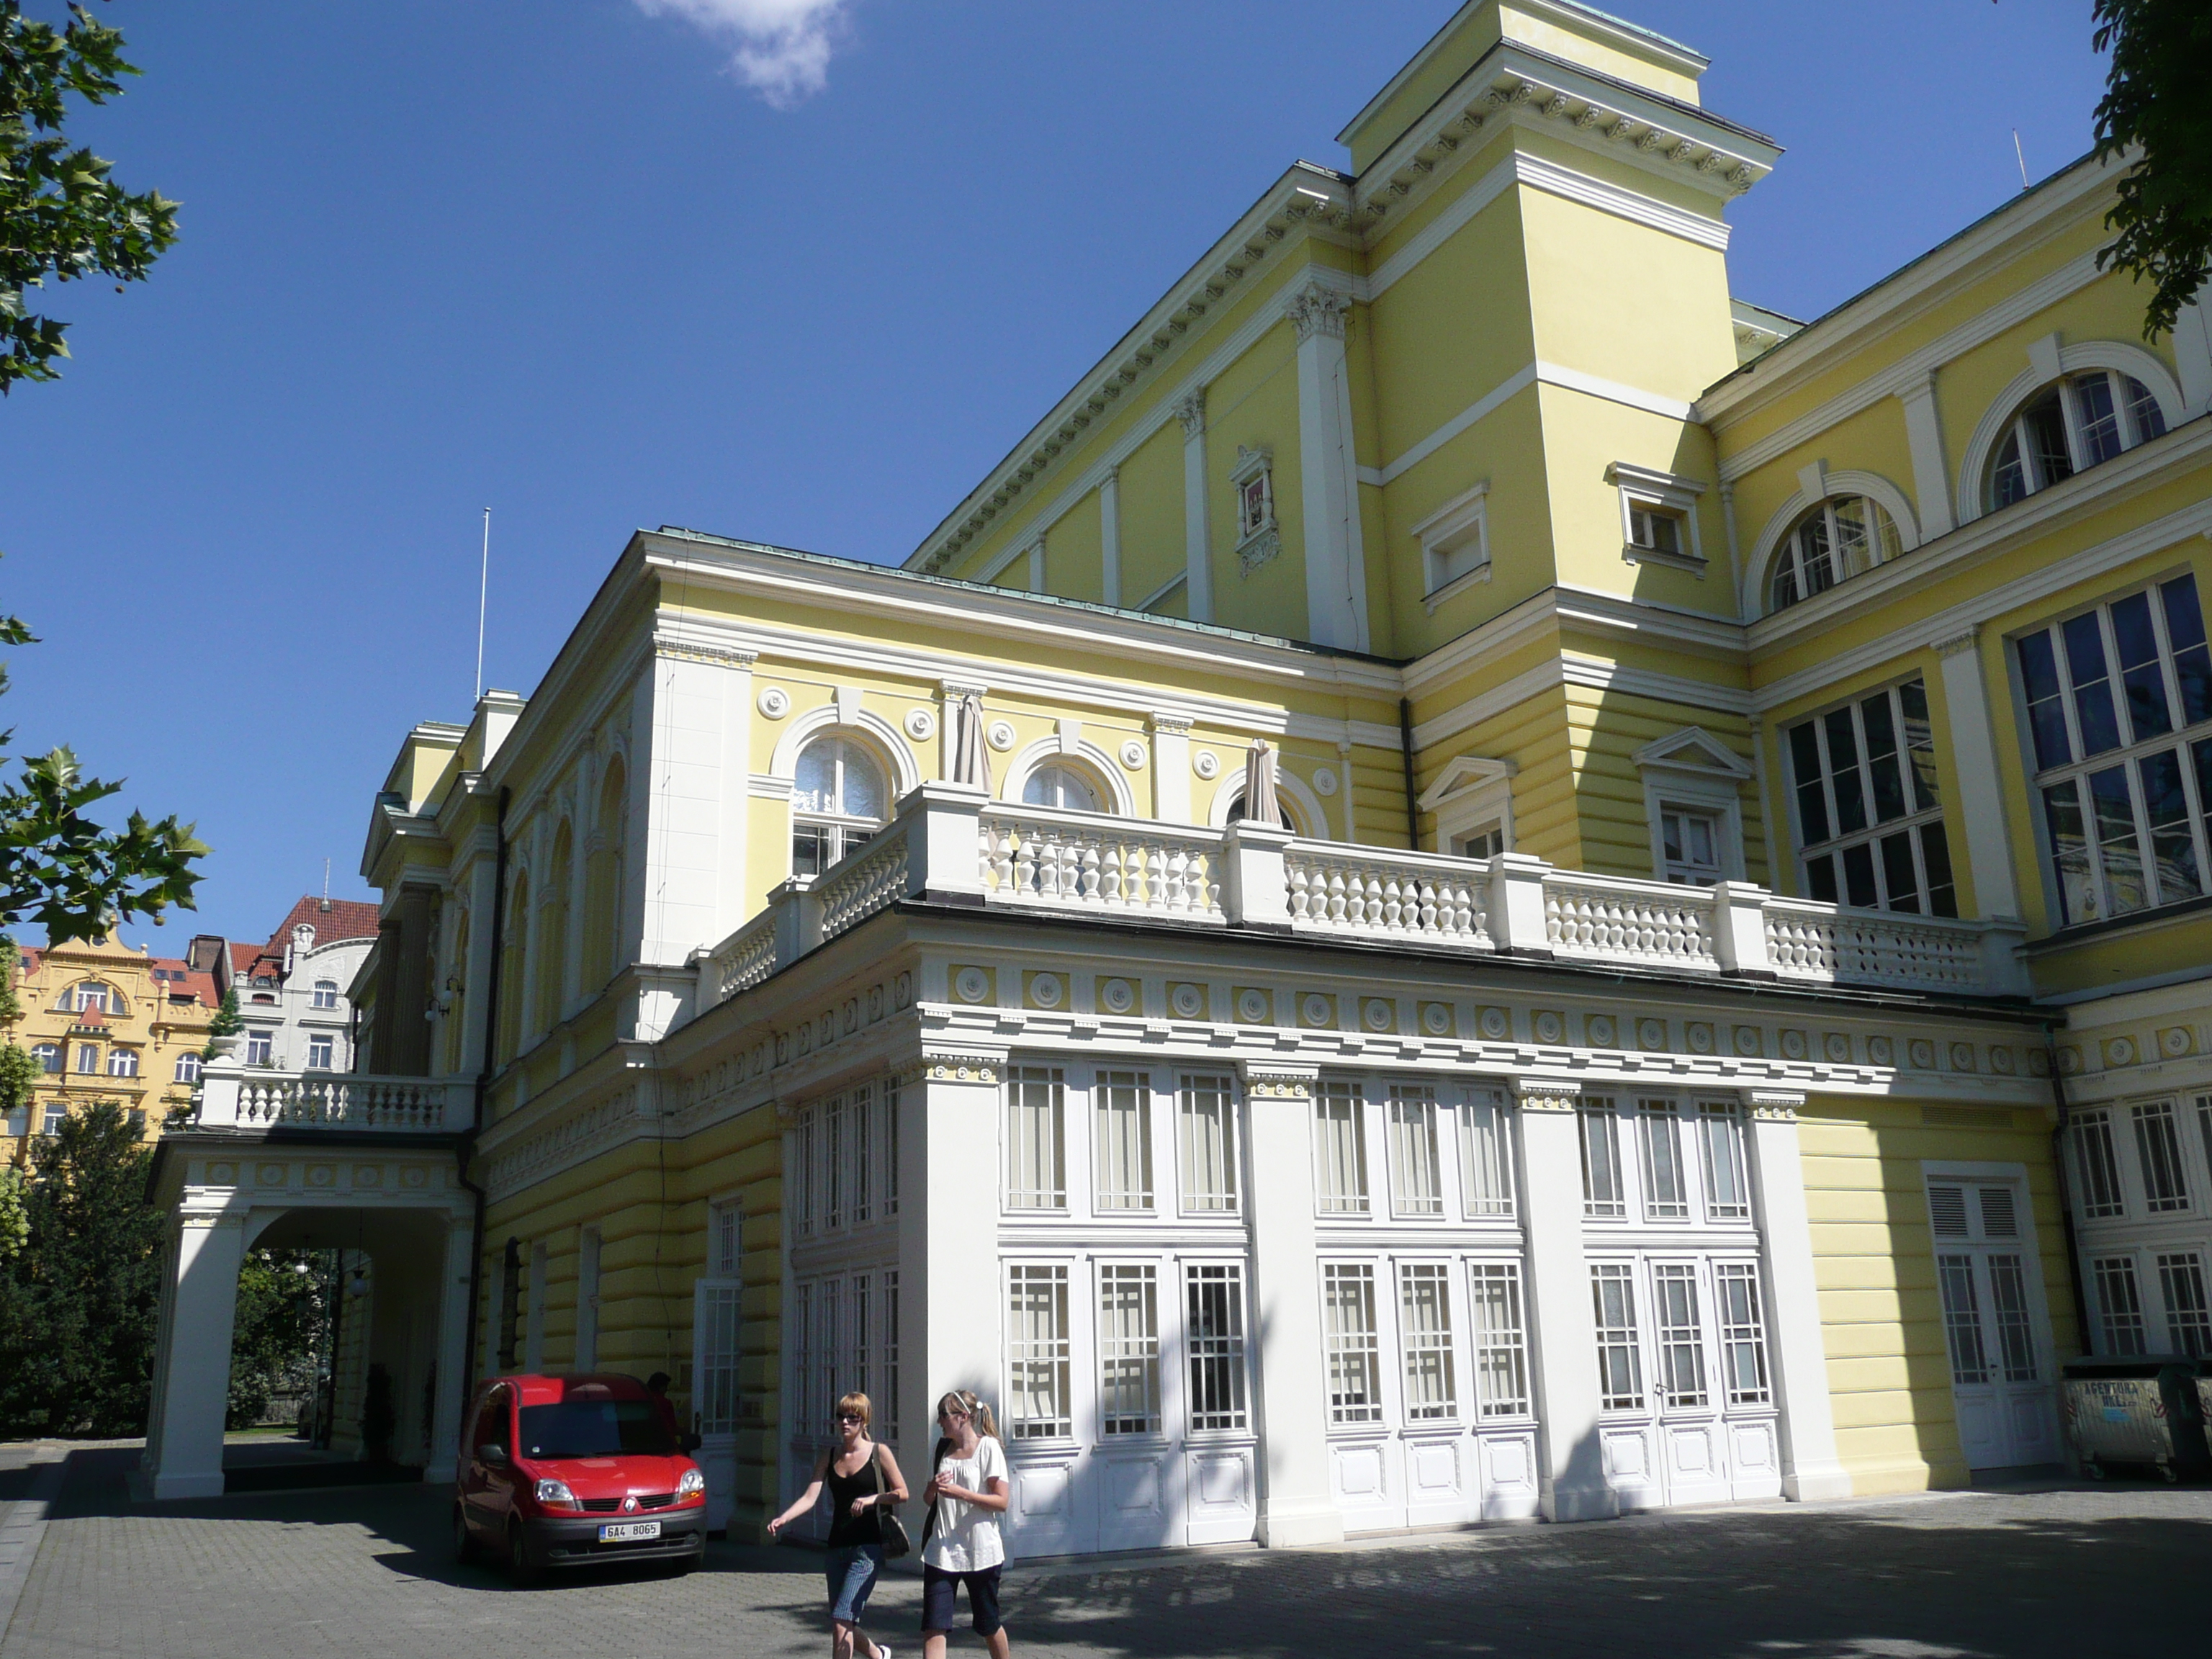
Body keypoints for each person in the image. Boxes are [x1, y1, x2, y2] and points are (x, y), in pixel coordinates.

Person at [769, 1392, 909, 1659]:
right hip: (837, 1548)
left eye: (852, 1417)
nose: (845, 1423)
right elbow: (810, 1497)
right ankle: (879, 1655)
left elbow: (903, 1493)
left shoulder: (879, 1453)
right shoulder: (829, 1455)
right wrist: (784, 1518)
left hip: (867, 1548)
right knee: (841, 1618)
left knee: (842, 1619)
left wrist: (873, 1499)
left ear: (864, 1421)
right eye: (841, 1417)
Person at [919, 1390, 1011, 1659]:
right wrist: (935, 1487)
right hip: (942, 1550)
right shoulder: (940, 1449)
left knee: (987, 1624)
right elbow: (927, 1499)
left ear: (963, 1417)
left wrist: (962, 1494)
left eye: (943, 1415)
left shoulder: (988, 1448)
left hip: (980, 1552)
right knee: (934, 1628)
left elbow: (1002, 1501)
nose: (939, 1422)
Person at [644, 1372, 683, 1444]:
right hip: (662, 1442)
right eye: (666, 1386)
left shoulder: (643, 1400)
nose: (667, 1390)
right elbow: (672, 1427)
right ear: (662, 1387)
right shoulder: (665, 1403)